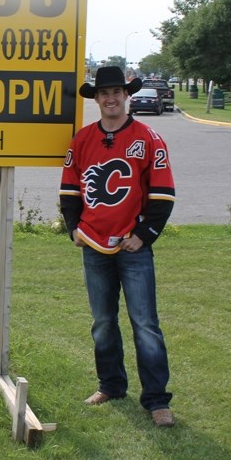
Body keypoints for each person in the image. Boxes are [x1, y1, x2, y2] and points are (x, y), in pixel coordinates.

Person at [59, 66, 176, 427]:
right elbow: (69, 190)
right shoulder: (81, 139)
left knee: (145, 323)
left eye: (117, 92)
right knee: (103, 322)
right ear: (96, 98)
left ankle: (157, 400)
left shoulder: (149, 138)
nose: (111, 98)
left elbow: (163, 194)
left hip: (133, 246)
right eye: (104, 92)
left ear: (127, 95)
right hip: (94, 244)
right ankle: (110, 384)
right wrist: (73, 228)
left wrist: (144, 233)